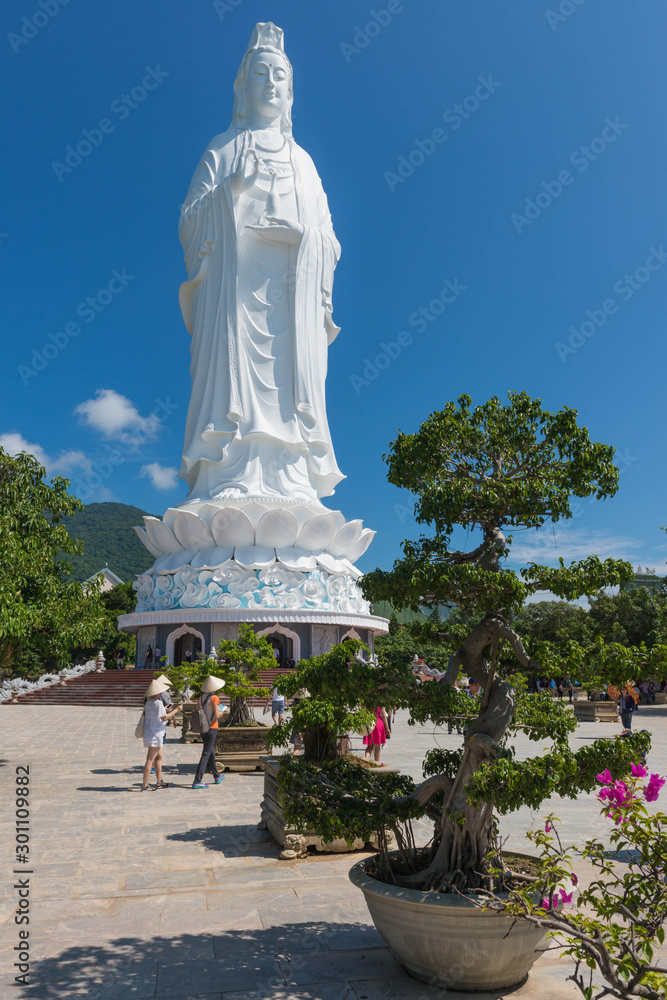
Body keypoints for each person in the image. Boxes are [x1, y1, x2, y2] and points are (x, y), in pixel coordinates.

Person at [178, 22, 344, 503]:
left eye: (279, 76)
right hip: (233, 297)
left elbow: (330, 241)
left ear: (291, 92)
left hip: (290, 299)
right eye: (260, 74)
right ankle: (228, 474)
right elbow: (188, 223)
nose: (270, 83)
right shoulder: (222, 148)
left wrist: (303, 238)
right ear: (243, 86)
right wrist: (230, 191)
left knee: (288, 387)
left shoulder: (304, 163)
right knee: (233, 381)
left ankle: (292, 481)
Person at [141, 679, 182, 790]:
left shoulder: (149, 702)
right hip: (155, 734)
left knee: (159, 757)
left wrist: (164, 710)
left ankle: (159, 780)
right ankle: (144, 784)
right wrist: (176, 711)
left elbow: (156, 714)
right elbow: (163, 718)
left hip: (153, 733)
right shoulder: (158, 702)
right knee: (150, 760)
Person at [192, 675, 228, 789]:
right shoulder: (215, 698)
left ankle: (217, 775)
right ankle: (197, 780)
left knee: (210, 751)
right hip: (212, 727)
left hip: (203, 728)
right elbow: (217, 715)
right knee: (206, 754)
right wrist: (223, 711)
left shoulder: (200, 698)